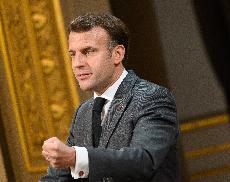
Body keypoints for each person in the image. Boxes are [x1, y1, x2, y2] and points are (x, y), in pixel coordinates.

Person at [40, 13, 180, 182]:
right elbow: (57, 179)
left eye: (88, 51)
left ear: (117, 54)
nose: (77, 63)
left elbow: (143, 161)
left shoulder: (152, 97)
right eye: (73, 54)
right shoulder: (83, 113)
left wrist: (76, 157)